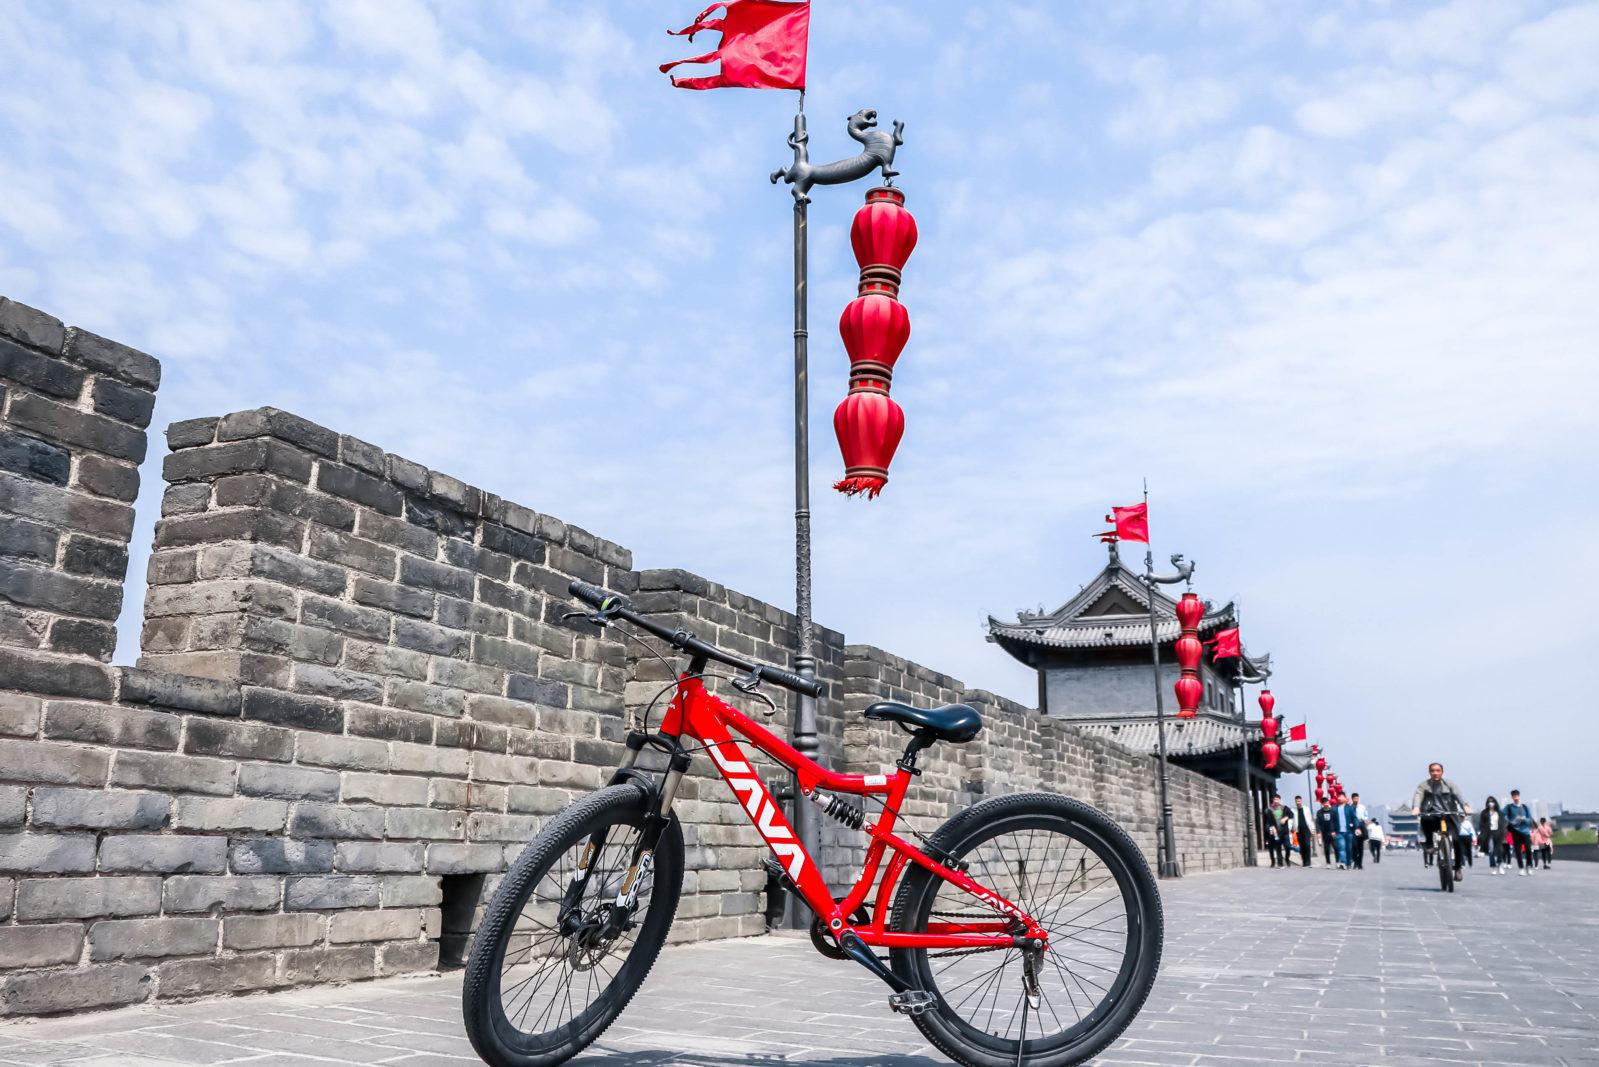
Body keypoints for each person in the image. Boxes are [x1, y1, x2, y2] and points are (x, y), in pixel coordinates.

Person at [1411, 762, 1469, 881]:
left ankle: (1458, 868)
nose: (1435, 773)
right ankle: (1430, 844)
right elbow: (1418, 796)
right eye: (1433, 771)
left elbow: (1459, 796)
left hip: (1449, 816)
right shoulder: (1424, 786)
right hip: (1432, 815)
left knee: (1457, 841)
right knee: (1425, 819)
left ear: (1442, 772)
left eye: (1438, 770)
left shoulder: (1450, 784)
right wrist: (1416, 807)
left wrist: (1465, 806)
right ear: (1429, 772)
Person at [1504, 789, 1534, 875]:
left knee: (1528, 849)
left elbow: (1530, 820)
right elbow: (1502, 815)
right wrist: (1511, 821)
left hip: (1525, 831)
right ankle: (1521, 868)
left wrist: (1524, 819)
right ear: (1512, 797)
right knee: (1518, 850)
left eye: (1517, 795)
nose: (1516, 797)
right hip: (1515, 831)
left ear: (1519, 796)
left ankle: (1529, 866)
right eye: (1514, 796)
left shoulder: (1524, 807)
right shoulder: (1509, 807)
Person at [1331, 795, 1360, 869]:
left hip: (1349, 832)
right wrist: (1333, 831)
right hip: (1339, 832)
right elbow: (1332, 821)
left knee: (1349, 848)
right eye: (1339, 797)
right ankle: (1343, 862)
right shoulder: (1334, 809)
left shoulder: (1350, 808)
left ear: (1345, 798)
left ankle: (1349, 863)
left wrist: (1357, 828)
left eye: (1341, 797)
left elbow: (1355, 818)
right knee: (1342, 847)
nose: (1339, 798)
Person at [1479, 797, 1505, 874]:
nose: (1491, 803)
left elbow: (1502, 824)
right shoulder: (1484, 813)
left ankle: (1500, 865)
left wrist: (1503, 833)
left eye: (1492, 802)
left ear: (1495, 802)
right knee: (1491, 850)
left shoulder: (1499, 813)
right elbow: (1481, 824)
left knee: (1500, 850)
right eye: (1489, 802)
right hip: (1489, 833)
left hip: (1498, 833)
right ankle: (1493, 867)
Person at [1263, 794, 1288, 867]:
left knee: (1278, 846)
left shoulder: (1282, 808)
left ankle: (1279, 862)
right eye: (1274, 800)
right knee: (1270, 847)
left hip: (1278, 831)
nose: (1276, 801)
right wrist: (1269, 829)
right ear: (1272, 800)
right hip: (1270, 830)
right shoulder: (1268, 810)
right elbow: (1265, 821)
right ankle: (1273, 861)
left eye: (1277, 800)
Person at [1349, 793, 1370, 869]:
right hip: (1353, 827)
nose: (1356, 800)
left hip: (1361, 825)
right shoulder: (1350, 807)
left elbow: (1366, 816)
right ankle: (1355, 861)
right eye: (1355, 798)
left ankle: (1360, 864)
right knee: (1354, 846)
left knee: (1360, 846)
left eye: (1357, 798)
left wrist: (1364, 820)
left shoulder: (1362, 807)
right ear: (1352, 799)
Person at [1293, 796, 1315, 868]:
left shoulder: (1306, 809)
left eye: (1299, 801)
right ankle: (1304, 862)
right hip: (1298, 831)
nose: (1298, 803)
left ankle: (1308, 862)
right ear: (1295, 802)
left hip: (1306, 829)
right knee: (1302, 847)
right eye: (1297, 801)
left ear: (1301, 801)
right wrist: (1292, 828)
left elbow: (1310, 819)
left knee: (1307, 845)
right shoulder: (1294, 810)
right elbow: (1292, 821)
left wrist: (1312, 829)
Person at [1316, 801, 1336, 865]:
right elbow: (1317, 823)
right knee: (1326, 848)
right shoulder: (1319, 812)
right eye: (1324, 803)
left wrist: (1335, 831)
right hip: (1325, 832)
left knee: (1336, 847)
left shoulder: (1333, 811)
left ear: (1329, 803)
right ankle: (1328, 862)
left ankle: (1338, 861)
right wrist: (1318, 832)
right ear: (1322, 804)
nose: (1326, 804)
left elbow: (1336, 821)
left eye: (1327, 802)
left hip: (1333, 832)